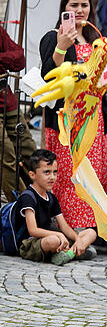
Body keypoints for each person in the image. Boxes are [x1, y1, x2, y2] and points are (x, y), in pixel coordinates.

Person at [40, 0, 107, 230]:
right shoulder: (53, 36)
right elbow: (49, 74)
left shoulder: (96, 38)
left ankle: (93, 227)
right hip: (66, 120)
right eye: (74, 5)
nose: (79, 10)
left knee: (93, 174)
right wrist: (62, 45)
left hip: (94, 116)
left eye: (84, 5)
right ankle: (71, 227)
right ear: (64, 8)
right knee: (71, 174)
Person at [11, 150, 97, 265]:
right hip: (30, 243)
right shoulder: (28, 197)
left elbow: (64, 227)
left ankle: (68, 254)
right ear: (32, 175)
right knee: (54, 241)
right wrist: (58, 235)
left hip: (50, 236)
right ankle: (76, 251)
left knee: (91, 232)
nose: (52, 177)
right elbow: (33, 230)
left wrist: (77, 239)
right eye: (47, 172)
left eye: (55, 172)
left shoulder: (51, 197)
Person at [0, 25, 35, 203]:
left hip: (6, 99)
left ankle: (41, 201)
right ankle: (24, 208)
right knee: (6, 157)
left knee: (29, 151)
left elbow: (19, 58)